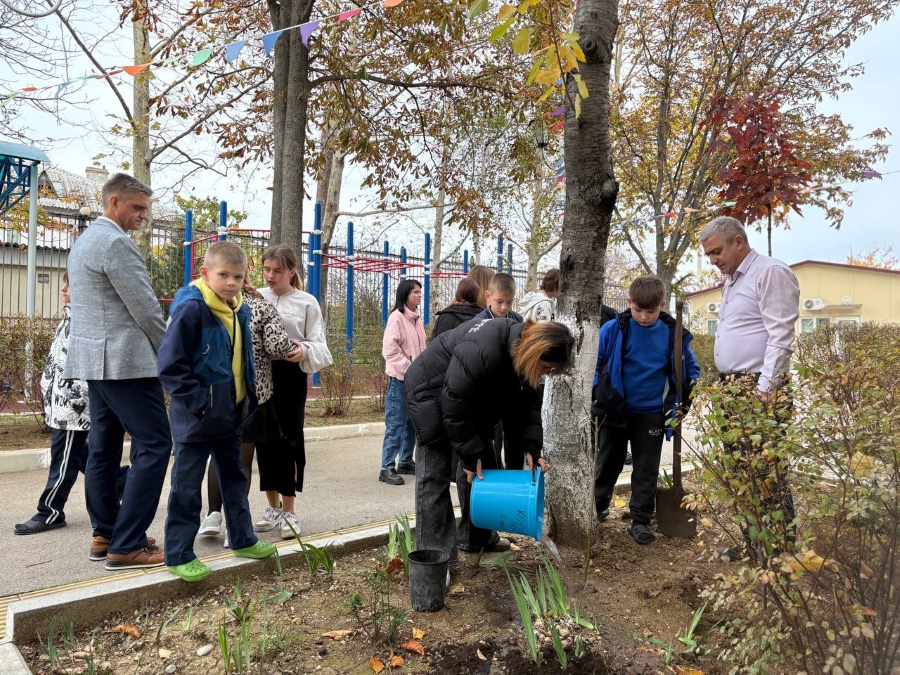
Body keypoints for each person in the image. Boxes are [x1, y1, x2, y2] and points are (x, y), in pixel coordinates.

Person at [65, 173, 171, 570]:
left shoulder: (83, 243)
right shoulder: (115, 243)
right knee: (157, 444)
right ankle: (127, 544)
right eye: (137, 208)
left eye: (146, 209)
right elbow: (145, 308)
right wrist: (170, 353)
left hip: (95, 361)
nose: (144, 216)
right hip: (126, 363)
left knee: (104, 448)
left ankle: (106, 533)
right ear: (113, 203)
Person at [405, 318, 574, 562]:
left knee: (484, 470)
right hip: (431, 394)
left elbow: (528, 406)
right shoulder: (484, 347)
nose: (545, 373)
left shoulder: (521, 354)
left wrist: (532, 447)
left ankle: (476, 538)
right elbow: (454, 399)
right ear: (535, 351)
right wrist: (469, 454)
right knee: (435, 476)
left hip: (471, 402)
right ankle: (437, 559)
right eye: (546, 368)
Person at [158, 242, 277, 581]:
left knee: (235, 480)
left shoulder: (240, 309)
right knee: (186, 486)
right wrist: (200, 403)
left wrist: (246, 400)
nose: (231, 282)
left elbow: (243, 360)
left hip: (232, 413)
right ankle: (179, 554)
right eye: (223, 275)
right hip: (196, 419)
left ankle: (242, 538)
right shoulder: (192, 309)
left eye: (237, 276)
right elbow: (169, 366)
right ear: (205, 274)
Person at [699, 216, 800, 562]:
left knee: (767, 469)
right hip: (733, 387)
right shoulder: (732, 281)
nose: (713, 260)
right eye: (709, 254)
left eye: (716, 251)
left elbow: (781, 334)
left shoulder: (769, 272)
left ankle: (780, 550)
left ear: (738, 241)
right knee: (741, 470)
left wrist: (766, 387)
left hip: (758, 387)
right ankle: (753, 543)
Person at [591, 276, 701, 545]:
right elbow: (595, 364)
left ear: (662, 306)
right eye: (638, 309)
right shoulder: (613, 329)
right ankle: (597, 506)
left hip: (652, 412)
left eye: (650, 311)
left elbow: (691, 370)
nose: (643, 316)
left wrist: (687, 396)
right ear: (629, 303)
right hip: (615, 409)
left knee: (646, 468)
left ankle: (640, 519)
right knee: (608, 462)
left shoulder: (674, 335)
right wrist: (598, 393)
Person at [199, 275, 302, 547]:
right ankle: (236, 527)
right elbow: (276, 345)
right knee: (242, 461)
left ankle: (212, 516)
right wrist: (297, 347)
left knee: (219, 455)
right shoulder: (261, 307)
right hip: (252, 396)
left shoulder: (207, 304)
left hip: (215, 394)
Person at [254, 246, 332, 539]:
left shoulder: (306, 302)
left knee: (289, 440)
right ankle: (272, 507)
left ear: (291, 271)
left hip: (290, 377)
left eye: (277, 270)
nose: (271, 275)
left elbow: (320, 345)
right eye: (266, 269)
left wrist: (303, 351)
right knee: (263, 442)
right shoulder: (254, 296)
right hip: (260, 375)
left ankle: (290, 511)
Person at [14, 273, 90, 535]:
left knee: (64, 457)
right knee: (74, 454)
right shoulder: (69, 317)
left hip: (73, 404)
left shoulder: (85, 319)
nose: (63, 288)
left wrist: (73, 396)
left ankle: (51, 511)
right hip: (61, 403)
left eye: (71, 284)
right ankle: (119, 483)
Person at [379, 279, 428, 486]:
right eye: (415, 292)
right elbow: (390, 350)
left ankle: (406, 461)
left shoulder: (416, 320)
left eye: (420, 292)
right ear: (405, 294)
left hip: (414, 382)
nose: (419, 295)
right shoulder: (397, 318)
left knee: (411, 424)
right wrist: (410, 369)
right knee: (396, 423)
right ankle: (387, 467)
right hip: (399, 381)